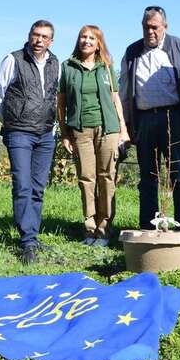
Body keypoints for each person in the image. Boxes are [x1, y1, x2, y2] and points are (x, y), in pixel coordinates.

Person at [119, 5, 180, 231]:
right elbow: (124, 93)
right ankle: (147, 228)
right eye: (146, 27)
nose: (150, 32)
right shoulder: (132, 52)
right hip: (144, 121)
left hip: (175, 119)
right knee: (147, 178)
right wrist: (125, 127)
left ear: (165, 26)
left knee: (179, 176)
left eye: (154, 27)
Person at [0, 20, 59, 264]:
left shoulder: (55, 63)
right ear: (29, 36)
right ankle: (27, 241)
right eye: (35, 35)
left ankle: (32, 234)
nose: (39, 40)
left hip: (46, 134)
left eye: (44, 37)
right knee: (22, 185)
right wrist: (10, 120)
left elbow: (54, 97)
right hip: (19, 132)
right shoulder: (14, 59)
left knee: (38, 187)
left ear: (51, 40)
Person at [57, 25, 130, 247]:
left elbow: (116, 99)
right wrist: (64, 134)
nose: (86, 41)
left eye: (91, 38)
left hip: (108, 129)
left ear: (99, 43)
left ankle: (105, 228)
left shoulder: (106, 67)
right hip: (80, 130)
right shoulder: (68, 67)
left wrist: (123, 129)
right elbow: (61, 103)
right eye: (83, 37)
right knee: (86, 178)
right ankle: (89, 228)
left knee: (107, 177)